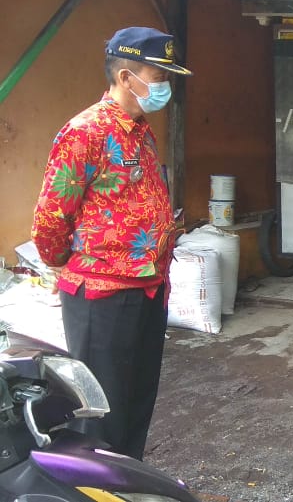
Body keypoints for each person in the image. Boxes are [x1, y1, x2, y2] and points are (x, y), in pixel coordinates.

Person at [31, 26, 192, 460]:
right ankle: (94, 483)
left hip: (148, 288)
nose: (165, 87)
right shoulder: (85, 132)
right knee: (101, 412)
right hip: (102, 295)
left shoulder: (140, 130)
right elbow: (50, 217)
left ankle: (126, 480)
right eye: (158, 77)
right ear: (126, 77)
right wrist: (66, 263)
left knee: (137, 401)